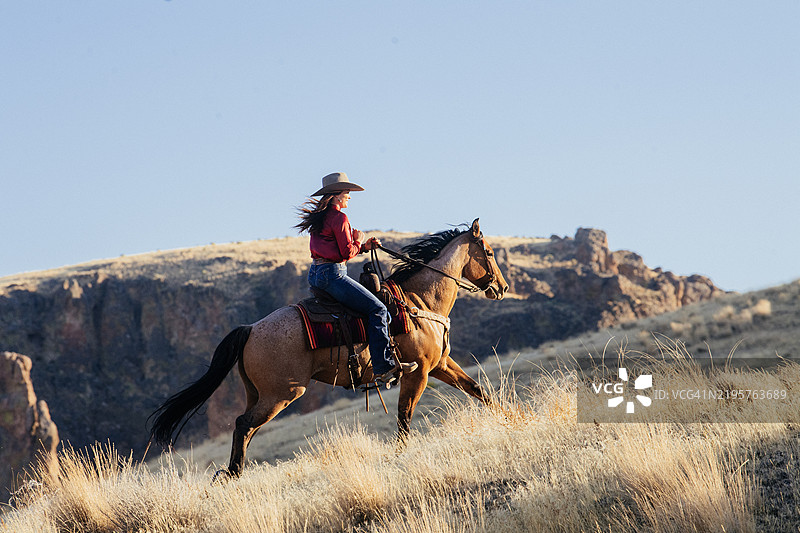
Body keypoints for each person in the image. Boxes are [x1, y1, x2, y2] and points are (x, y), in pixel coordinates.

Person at [295, 172, 417, 385]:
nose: (349, 196)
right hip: (333, 275)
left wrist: (362, 247)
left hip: (316, 275)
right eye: (347, 192)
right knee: (378, 310)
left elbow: (332, 249)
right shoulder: (339, 217)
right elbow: (343, 253)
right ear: (335, 196)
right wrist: (359, 240)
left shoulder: (319, 219)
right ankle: (383, 367)